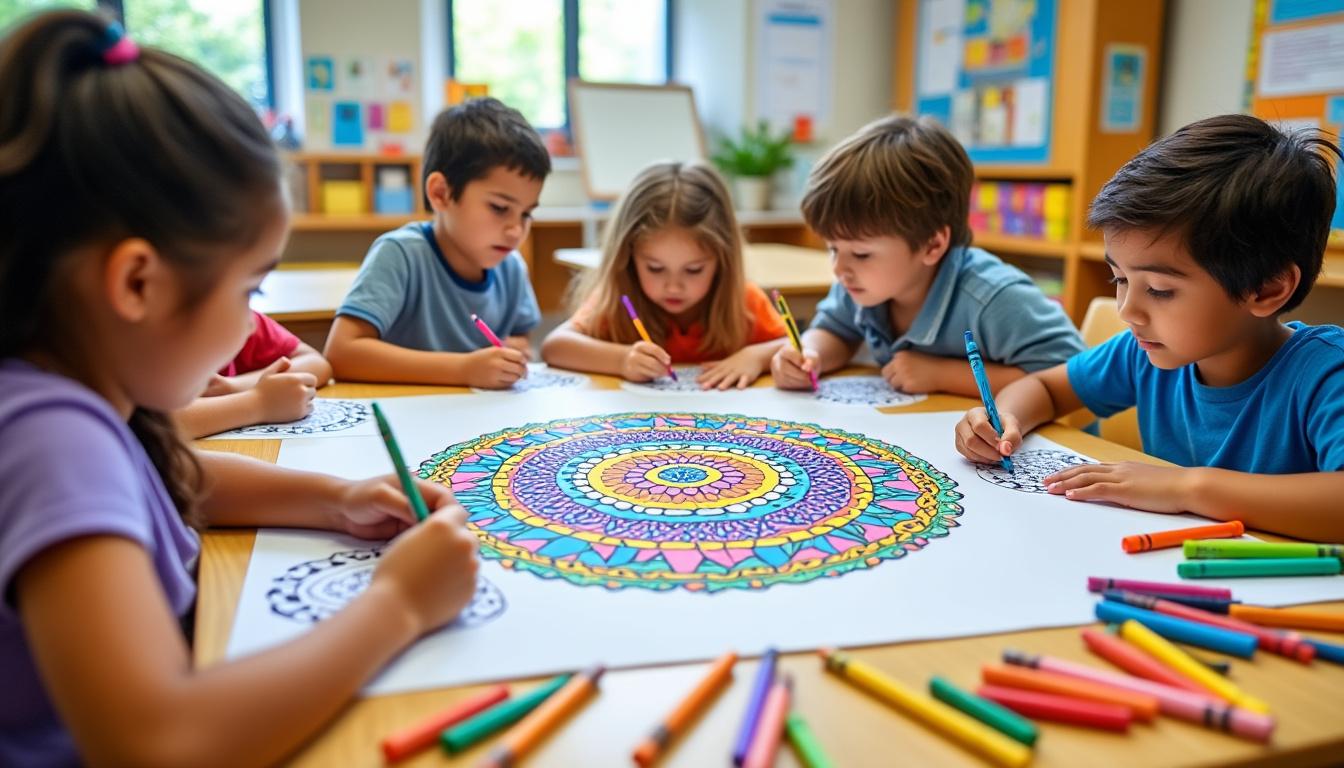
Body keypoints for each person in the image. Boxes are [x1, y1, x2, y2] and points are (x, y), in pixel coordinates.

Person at [0, 12, 478, 765]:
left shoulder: (73, 399)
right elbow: (159, 742)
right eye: (249, 290)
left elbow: (169, 479)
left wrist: (337, 499)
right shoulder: (49, 438)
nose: (252, 323)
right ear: (136, 283)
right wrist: (400, 605)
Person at [954, 114, 1344, 541]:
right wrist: (1003, 419)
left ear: (1266, 288)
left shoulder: (1325, 374)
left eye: (1159, 289)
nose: (1127, 309)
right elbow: (1046, 390)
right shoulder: (1141, 352)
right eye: (1119, 278)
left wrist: (1187, 487)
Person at [772, 115, 1084, 395]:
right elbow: (835, 331)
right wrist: (811, 354)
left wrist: (942, 375)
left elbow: (1074, 379)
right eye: (832, 248)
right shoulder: (860, 284)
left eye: (861, 254)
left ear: (932, 246)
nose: (839, 268)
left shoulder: (993, 300)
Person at [324, 97, 551, 389]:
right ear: (441, 193)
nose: (516, 230)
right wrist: (463, 369)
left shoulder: (511, 268)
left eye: (527, 213)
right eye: (499, 207)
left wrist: (516, 350)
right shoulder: (401, 255)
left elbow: (522, 337)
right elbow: (342, 353)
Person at [542, 161, 788, 389]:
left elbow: (796, 347)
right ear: (628, 257)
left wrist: (755, 357)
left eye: (694, 270)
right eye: (655, 268)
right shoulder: (619, 298)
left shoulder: (744, 301)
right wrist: (622, 360)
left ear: (723, 260)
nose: (673, 287)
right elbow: (555, 347)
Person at [175, 310, 332, 438]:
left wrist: (233, 387)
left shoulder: (241, 317)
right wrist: (260, 402)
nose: (251, 325)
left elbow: (317, 363)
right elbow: (158, 423)